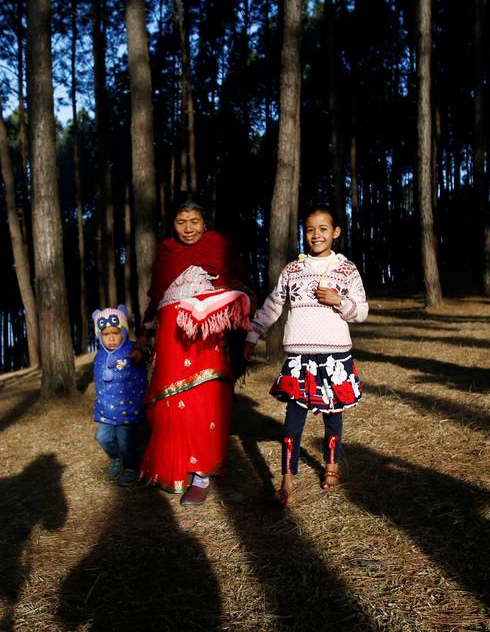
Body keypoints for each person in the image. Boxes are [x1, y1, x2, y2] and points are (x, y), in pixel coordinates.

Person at [245, 205, 368, 507]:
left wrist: (340, 301)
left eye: (323, 228)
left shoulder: (347, 269)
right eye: (310, 229)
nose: (316, 234)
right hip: (299, 357)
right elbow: (274, 305)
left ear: (336, 232)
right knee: (292, 422)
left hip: (335, 358)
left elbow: (362, 310)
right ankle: (287, 480)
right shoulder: (292, 270)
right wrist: (252, 335)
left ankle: (332, 467)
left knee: (332, 418)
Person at [135, 199, 251, 505]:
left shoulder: (218, 246)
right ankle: (174, 466)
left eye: (195, 221)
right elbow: (156, 295)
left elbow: (239, 284)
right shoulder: (166, 251)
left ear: (205, 222)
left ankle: (200, 473)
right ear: (172, 225)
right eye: (181, 222)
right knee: (172, 400)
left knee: (206, 395)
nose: (188, 228)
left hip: (207, 336)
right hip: (171, 337)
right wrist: (145, 333)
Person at [92, 305, 148, 487]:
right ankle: (116, 459)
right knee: (102, 436)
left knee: (125, 441)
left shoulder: (132, 349)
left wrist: (141, 355)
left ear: (123, 331)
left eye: (115, 333)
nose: (111, 339)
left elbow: (143, 361)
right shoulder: (99, 356)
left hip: (127, 407)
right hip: (106, 410)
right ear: (100, 336)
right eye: (106, 335)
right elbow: (98, 383)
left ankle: (131, 467)